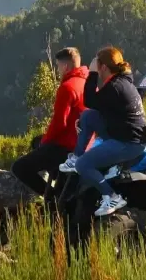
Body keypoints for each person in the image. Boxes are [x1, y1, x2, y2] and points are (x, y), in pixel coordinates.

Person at [58, 46, 146, 217]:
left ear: (104, 68)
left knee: (83, 165)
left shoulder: (115, 86)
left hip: (129, 143)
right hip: (127, 134)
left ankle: (112, 196)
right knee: (88, 116)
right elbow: (99, 108)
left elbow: (90, 99)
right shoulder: (123, 81)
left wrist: (91, 74)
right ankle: (77, 155)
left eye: (96, 65)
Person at [11, 47, 89, 196]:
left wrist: (45, 142)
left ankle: (52, 199)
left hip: (66, 146)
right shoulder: (88, 84)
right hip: (84, 144)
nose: (58, 70)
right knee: (36, 141)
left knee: (19, 168)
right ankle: (60, 182)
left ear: (65, 66)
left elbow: (60, 123)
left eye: (58, 66)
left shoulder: (68, 87)